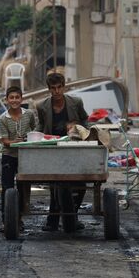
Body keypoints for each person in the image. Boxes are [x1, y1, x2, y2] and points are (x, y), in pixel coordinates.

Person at [36, 72, 89, 231]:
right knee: (55, 183)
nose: (57, 91)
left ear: (64, 87)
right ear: (49, 90)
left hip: (73, 147)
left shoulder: (76, 102)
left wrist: (81, 130)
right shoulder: (42, 106)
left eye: (59, 87)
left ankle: (72, 216)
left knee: (80, 183)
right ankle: (53, 220)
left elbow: (85, 119)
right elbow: (41, 125)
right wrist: (33, 136)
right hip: (53, 148)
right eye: (53, 88)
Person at [0, 86, 37, 233]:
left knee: (23, 187)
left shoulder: (29, 114)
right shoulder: (3, 119)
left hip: (25, 156)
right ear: (7, 100)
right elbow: (5, 141)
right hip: (9, 156)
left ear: (21, 99)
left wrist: (28, 138)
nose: (14, 100)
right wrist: (17, 142)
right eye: (11, 97)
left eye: (17, 97)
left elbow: (35, 129)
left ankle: (19, 218)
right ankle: (6, 220)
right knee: (7, 188)